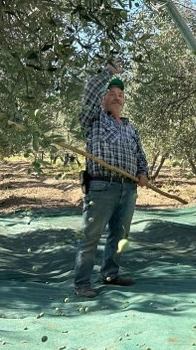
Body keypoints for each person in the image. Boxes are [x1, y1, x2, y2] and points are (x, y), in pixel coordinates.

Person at [73, 61, 150, 298]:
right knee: (91, 236)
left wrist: (143, 173)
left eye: (120, 94)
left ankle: (110, 274)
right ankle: (82, 283)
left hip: (127, 189)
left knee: (120, 235)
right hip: (101, 186)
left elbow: (140, 155)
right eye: (111, 94)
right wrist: (107, 73)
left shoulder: (130, 128)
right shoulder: (94, 120)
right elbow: (89, 92)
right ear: (103, 99)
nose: (116, 98)